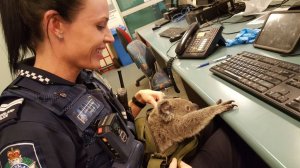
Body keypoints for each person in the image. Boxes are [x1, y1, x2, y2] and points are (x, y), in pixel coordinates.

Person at [0, 0, 268, 167]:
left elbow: (102, 135)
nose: (109, 37)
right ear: (56, 25)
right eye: (99, 26)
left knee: (221, 122)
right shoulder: (28, 129)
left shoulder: (81, 78)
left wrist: (136, 105)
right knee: (238, 142)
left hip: (148, 156)